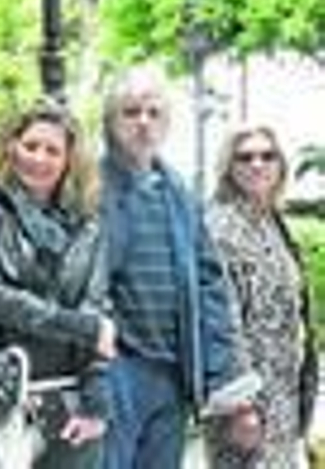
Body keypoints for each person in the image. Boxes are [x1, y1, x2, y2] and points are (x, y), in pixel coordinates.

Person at [99, 65, 253, 468]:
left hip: (173, 371)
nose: (143, 123)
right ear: (111, 122)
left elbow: (209, 286)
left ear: (167, 123)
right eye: (130, 112)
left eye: (154, 112)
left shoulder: (180, 193)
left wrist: (220, 373)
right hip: (118, 366)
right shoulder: (90, 188)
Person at [0, 100, 114, 468]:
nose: (39, 158)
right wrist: (78, 326)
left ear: (69, 159)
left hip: (71, 404)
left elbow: (96, 308)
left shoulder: (90, 220)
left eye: (52, 150)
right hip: (3, 396)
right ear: (11, 147)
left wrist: (96, 400)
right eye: (30, 146)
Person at [203, 124, 315, 468]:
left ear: (280, 165)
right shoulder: (219, 227)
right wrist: (241, 404)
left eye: (267, 156)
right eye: (245, 157)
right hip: (245, 402)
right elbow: (220, 321)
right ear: (229, 166)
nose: (257, 164)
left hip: (284, 395)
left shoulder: (272, 222)